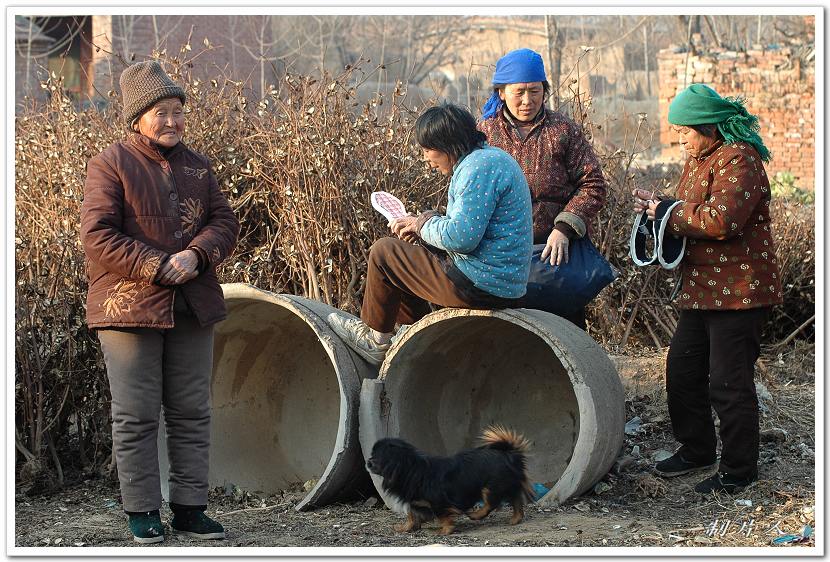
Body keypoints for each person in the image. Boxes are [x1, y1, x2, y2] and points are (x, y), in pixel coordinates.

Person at [80, 60, 240, 542]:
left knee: (193, 411)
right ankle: (142, 510)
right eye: (159, 112)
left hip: (193, 305)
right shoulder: (110, 164)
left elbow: (224, 222)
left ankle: (190, 508)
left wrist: (196, 255)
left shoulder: (199, 166)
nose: (171, 121)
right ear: (136, 118)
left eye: (177, 111)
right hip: (127, 309)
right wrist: (155, 265)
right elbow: (97, 235)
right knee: (136, 414)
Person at [632, 83, 783, 494]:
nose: (680, 139)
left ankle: (738, 470)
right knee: (682, 370)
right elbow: (691, 210)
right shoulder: (700, 159)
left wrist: (670, 211)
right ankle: (696, 449)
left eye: (684, 131)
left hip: (739, 292)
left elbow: (721, 220)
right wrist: (660, 208)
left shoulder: (740, 159)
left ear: (708, 127)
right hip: (701, 290)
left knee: (728, 384)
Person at [327, 102, 532, 365]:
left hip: (482, 285)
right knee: (406, 259)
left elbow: (462, 237)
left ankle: (374, 341)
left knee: (384, 252)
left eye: (427, 150)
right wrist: (425, 231)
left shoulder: (477, 169)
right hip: (498, 281)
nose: (426, 159)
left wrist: (421, 225)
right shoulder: (488, 159)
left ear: (448, 144)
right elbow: (469, 231)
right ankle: (413, 336)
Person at [477, 48, 608, 330]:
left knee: (563, 334)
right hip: (500, 254)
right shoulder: (484, 134)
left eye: (535, 91)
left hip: (554, 255)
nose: (527, 100)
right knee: (507, 332)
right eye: (519, 91)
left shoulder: (563, 130)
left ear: (544, 90)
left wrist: (564, 228)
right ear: (501, 92)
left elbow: (593, 184)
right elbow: (469, 189)